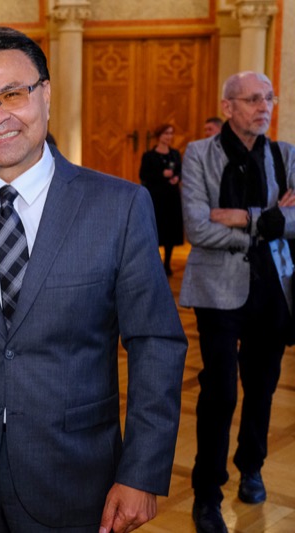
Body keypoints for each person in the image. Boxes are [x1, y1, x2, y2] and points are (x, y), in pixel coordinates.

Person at [0, 27, 187, 533]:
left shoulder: (119, 206)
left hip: (74, 472)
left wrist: (142, 472)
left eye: (13, 93)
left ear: (46, 93)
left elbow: (155, 343)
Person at [180, 71, 295, 533]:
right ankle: (207, 493)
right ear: (228, 107)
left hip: (274, 289)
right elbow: (197, 227)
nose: (263, 107)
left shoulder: (285, 155)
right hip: (218, 292)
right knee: (220, 392)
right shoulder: (199, 153)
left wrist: (243, 217)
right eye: (252, 99)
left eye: (268, 98)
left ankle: (252, 467)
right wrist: (272, 219)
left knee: (262, 388)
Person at [139, 123, 184, 276]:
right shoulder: (149, 156)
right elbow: (143, 175)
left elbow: (180, 171)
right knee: (156, 228)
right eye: (166, 133)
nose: (169, 137)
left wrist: (177, 178)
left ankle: (167, 263)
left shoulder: (175, 154)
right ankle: (154, 262)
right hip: (156, 196)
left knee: (170, 229)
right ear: (159, 136)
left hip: (171, 196)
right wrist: (161, 175)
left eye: (171, 133)